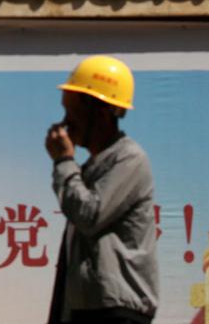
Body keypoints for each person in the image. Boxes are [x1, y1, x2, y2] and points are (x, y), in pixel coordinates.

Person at [45, 55, 159, 324]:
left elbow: (88, 214)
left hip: (115, 314)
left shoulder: (129, 159)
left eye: (72, 113)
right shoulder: (92, 168)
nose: (66, 124)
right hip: (89, 310)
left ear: (101, 111)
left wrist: (63, 161)